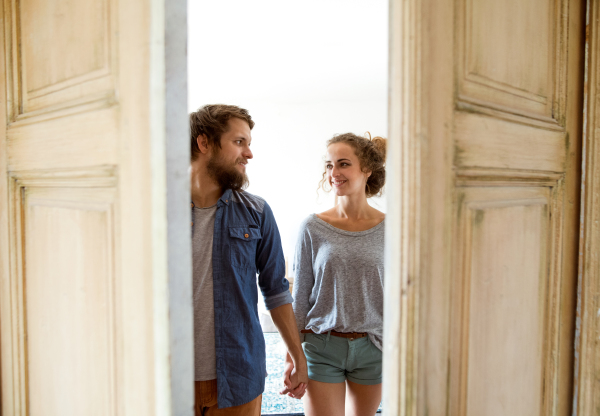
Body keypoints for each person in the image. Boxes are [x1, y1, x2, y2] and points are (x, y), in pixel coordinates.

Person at [190, 104, 308, 415]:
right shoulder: (155, 210)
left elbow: (276, 290)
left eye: (249, 144)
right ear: (204, 143)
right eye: (239, 142)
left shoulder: (257, 212)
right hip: (167, 375)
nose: (249, 154)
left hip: (238, 376)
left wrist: (298, 356)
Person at [287, 132, 386, 416]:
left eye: (343, 164)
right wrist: (292, 358)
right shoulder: (312, 227)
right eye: (329, 165)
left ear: (366, 169)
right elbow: (300, 296)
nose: (334, 173)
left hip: (373, 347)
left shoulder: (392, 229)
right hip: (322, 346)